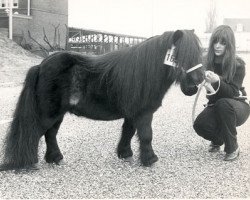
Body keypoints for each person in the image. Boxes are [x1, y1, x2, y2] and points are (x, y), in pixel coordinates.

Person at [181, 25, 250, 161]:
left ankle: (232, 147)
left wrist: (217, 80)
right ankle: (218, 140)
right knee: (199, 125)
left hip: (238, 105)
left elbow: (232, 92)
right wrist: (187, 79)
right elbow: (190, 91)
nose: (218, 46)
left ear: (229, 45)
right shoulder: (204, 62)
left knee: (223, 104)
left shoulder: (238, 64)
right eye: (215, 42)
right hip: (216, 104)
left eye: (223, 43)